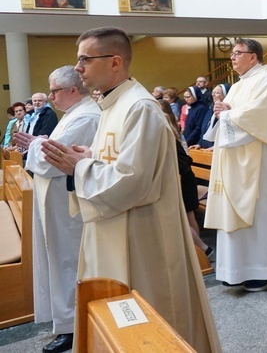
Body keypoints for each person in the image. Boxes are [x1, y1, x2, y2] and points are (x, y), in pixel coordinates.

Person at [40, 27, 220, 352]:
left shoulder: (140, 107)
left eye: (85, 59)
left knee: (147, 321)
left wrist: (77, 168)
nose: (78, 67)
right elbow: (120, 159)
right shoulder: (113, 105)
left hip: (141, 235)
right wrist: (89, 156)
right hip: (114, 228)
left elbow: (133, 180)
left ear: (115, 61)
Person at [13, 66, 101, 353]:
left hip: (67, 205)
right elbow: (51, 148)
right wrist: (39, 143)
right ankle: (66, 323)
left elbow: (54, 158)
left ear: (72, 90)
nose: (50, 97)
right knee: (61, 259)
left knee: (68, 260)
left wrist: (38, 145)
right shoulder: (73, 115)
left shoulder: (86, 115)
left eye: (54, 91)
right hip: (57, 202)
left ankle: (72, 326)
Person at [203, 38, 267, 292]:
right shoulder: (240, 85)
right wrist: (223, 110)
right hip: (237, 160)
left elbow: (258, 116)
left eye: (237, 53)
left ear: (253, 57)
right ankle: (239, 269)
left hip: (260, 161)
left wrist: (227, 113)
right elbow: (230, 113)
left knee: (261, 214)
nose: (232, 58)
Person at [158, 99, 211, 258]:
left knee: (183, 216)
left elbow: (180, 158)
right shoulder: (168, 124)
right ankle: (199, 251)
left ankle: (202, 251)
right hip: (183, 176)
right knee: (187, 215)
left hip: (181, 177)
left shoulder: (165, 127)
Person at [190, 83, 230, 150]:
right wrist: (199, 143)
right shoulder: (211, 109)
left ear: (225, 95)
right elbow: (205, 130)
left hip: (219, 148)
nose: (213, 95)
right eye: (213, 92)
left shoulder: (227, 111)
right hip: (206, 147)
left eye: (217, 93)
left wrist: (216, 147)